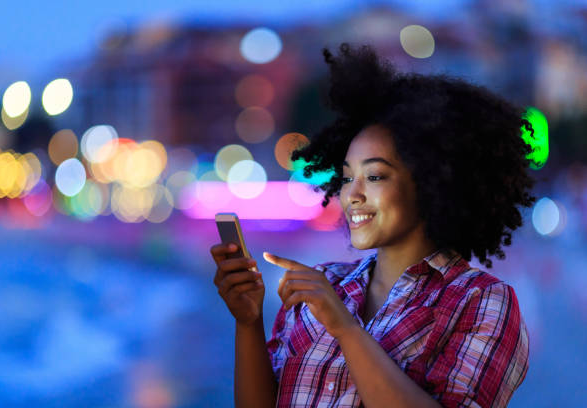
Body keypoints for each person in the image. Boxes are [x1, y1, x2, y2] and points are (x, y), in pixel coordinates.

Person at [210, 43, 535, 408]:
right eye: (347, 178)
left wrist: (345, 328)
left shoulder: (481, 301)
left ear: (432, 183)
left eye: (375, 176)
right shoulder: (323, 284)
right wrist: (248, 322)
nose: (352, 195)